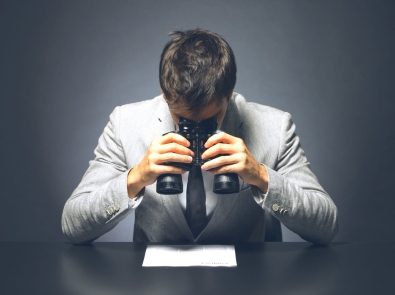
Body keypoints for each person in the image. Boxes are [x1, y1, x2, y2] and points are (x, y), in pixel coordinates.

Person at [62, 29, 338, 245]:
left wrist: (262, 176)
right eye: (181, 119)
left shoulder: (274, 127)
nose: (195, 130)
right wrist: (136, 178)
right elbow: (73, 225)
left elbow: (326, 226)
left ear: (229, 92)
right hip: (154, 283)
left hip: (245, 282)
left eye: (208, 120)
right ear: (164, 91)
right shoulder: (126, 123)